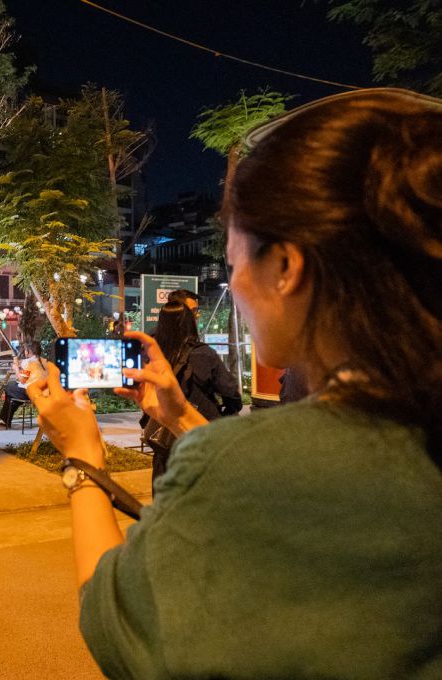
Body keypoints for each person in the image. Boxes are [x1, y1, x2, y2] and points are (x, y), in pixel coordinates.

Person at [29, 88, 442, 678]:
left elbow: (116, 625)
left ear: (285, 267)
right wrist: (178, 416)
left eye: (232, 261)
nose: (235, 289)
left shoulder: (259, 459)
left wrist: (83, 458)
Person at [146, 301, 242, 484]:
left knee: (165, 496)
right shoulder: (204, 354)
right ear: (190, 323)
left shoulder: (154, 355)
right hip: (199, 434)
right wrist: (228, 409)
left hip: (163, 440)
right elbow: (230, 391)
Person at [0, 341, 47, 429]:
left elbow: (22, 380)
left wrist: (16, 368)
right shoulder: (44, 361)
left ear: (28, 351)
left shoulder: (28, 362)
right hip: (41, 392)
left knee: (9, 386)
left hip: (29, 393)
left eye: (25, 350)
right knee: (12, 395)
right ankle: (6, 419)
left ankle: (6, 419)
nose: (24, 351)